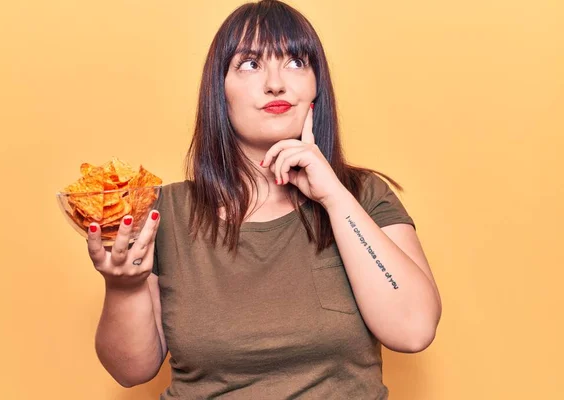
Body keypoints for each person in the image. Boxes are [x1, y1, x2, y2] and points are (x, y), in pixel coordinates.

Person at [89, 0, 442, 398]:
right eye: (251, 64)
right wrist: (123, 288)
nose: (276, 83)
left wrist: (334, 198)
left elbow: (414, 330)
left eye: (295, 62)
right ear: (219, 93)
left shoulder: (363, 196)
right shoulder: (163, 212)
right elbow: (131, 371)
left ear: (315, 90)